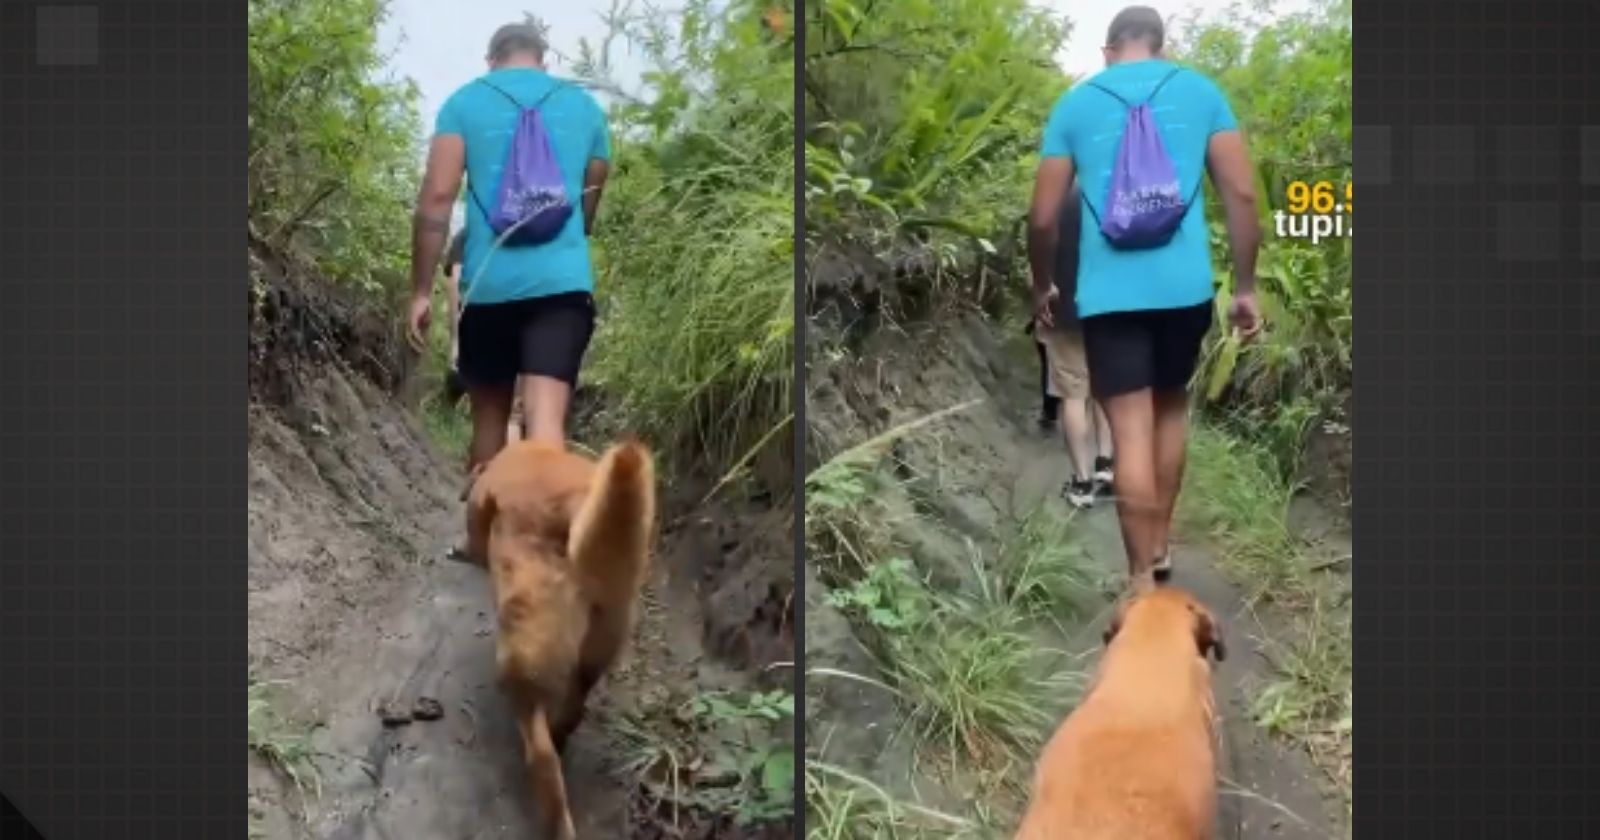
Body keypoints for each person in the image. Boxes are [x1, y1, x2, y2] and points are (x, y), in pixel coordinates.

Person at [1028, 6, 1262, 589]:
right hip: (1183, 290)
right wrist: (1245, 286)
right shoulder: (1202, 92)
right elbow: (1240, 193)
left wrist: (1042, 283)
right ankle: (1159, 547)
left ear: (1108, 49)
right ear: (1162, 45)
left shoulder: (1076, 103)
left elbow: (1042, 217)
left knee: (1128, 431)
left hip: (1110, 296)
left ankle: (1137, 578)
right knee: (1171, 412)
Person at [406, 22, 612, 479]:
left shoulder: (463, 103)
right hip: (563, 286)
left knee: (490, 423)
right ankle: (541, 539)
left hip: (489, 287)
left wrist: (421, 290)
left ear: (491, 60)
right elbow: (588, 203)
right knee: (544, 424)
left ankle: (482, 539)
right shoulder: (585, 107)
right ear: (544, 59)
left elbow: (437, 200)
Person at [1036, 181, 1115, 510]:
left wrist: (1039, 296)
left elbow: (1037, 254)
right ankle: (1106, 468)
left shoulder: (1053, 198)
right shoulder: (1116, 194)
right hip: (1111, 310)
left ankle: (1081, 484)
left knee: (1073, 397)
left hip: (1066, 312)